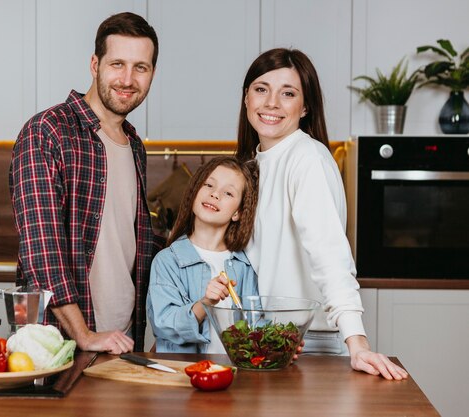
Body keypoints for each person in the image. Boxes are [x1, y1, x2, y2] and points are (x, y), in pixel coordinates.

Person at [235, 48, 408, 380]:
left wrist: (357, 344)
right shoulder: (253, 164)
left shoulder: (307, 159)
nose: (271, 102)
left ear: (305, 107)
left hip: (311, 342)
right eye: (261, 89)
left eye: (288, 93)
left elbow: (329, 253)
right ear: (246, 98)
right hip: (271, 340)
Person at [9, 12, 159, 354]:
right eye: (117, 63)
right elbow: (41, 249)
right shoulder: (48, 131)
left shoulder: (134, 144)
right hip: (59, 345)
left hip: (122, 339)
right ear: (95, 64)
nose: (128, 78)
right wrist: (84, 335)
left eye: (141, 67)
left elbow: (131, 240)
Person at [147, 156, 259, 353]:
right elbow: (164, 324)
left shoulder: (245, 265)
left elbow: (256, 325)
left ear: (238, 213)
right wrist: (205, 303)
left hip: (237, 377)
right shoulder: (167, 261)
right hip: (184, 378)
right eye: (208, 185)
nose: (215, 194)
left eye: (228, 193)